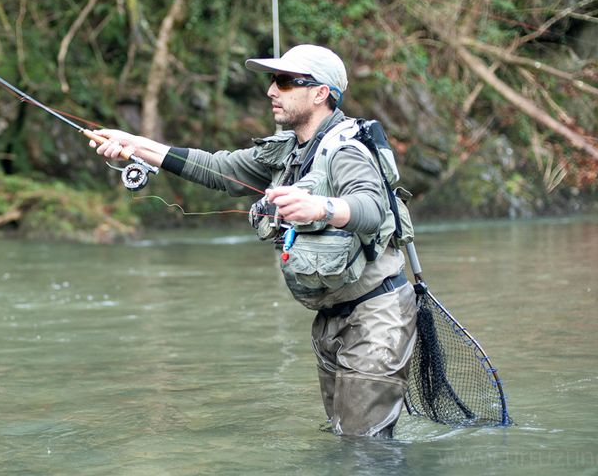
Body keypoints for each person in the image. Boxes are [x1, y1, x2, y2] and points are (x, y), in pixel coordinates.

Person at [91, 44, 417, 437]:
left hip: (376, 316)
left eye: (283, 81)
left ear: (320, 93)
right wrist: (136, 144)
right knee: (346, 441)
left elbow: (371, 207)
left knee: (366, 450)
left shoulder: (347, 149)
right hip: (331, 322)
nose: (271, 91)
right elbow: (216, 169)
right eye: (271, 81)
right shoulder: (287, 151)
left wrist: (320, 208)